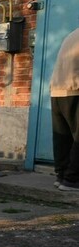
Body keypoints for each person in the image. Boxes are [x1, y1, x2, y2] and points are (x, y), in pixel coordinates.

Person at [49, 25, 79, 192]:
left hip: (57, 91)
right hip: (75, 90)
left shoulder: (73, 34)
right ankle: (72, 180)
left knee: (62, 137)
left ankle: (61, 176)